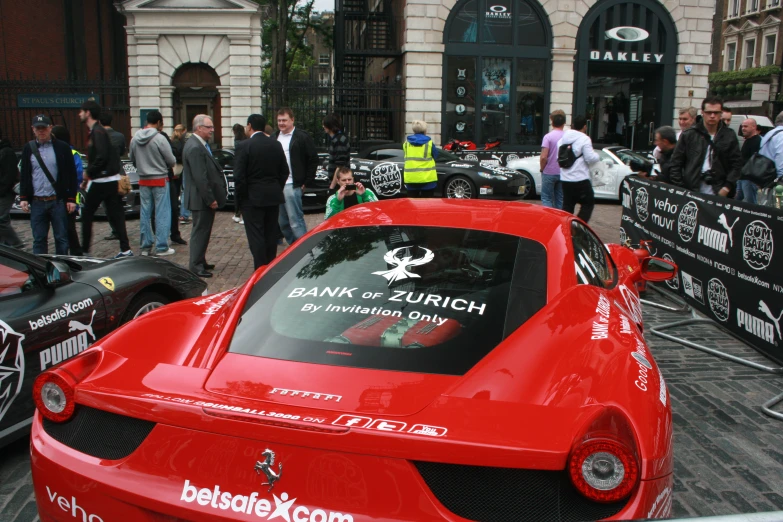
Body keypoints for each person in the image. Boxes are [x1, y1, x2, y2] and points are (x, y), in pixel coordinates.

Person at [233, 114, 289, 269]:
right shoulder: (275, 145)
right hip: (272, 196)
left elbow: (239, 176)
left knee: (256, 235)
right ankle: (269, 265)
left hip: (252, 198)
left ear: (249, 126)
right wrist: (276, 186)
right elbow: (284, 171)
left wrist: (242, 198)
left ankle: (260, 268)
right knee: (270, 234)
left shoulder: (244, 146)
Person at [78, 101, 133, 257]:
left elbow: (101, 156)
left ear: (88, 113)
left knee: (87, 214)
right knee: (116, 215)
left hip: (102, 181)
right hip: (108, 180)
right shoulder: (99, 131)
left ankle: (85, 250)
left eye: (82, 111)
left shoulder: (97, 132)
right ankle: (125, 249)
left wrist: (88, 172)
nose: (79, 114)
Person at [19, 115, 78, 255]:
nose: (41, 131)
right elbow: (25, 174)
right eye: (38, 128)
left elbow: (71, 174)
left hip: (56, 200)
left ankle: (62, 267)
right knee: (39, 239)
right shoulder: (29, 148)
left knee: (61, 239)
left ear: (50, 128)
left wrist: (71, 198)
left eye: (44, 128)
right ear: (33, 129)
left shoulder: (62, 147)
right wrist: (23, 197)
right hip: (37, 201)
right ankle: (40, 269)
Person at [182, 114, 227, 278]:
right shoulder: (195, 147)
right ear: (199, 127)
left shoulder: (198, 144)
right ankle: (196, 265)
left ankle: (200, 259)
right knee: (200, 231)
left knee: (204, 230)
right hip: (200, 199)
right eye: (209, 127)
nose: (212, 130)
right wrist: (210, 198)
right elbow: (200, 177)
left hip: (200, 198)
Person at [669, 96, 741, 197]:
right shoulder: (689, 134)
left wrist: (727, 187)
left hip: (720, 191)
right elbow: (675, 163)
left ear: (721, 114)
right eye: (709, 112)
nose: (712, 116)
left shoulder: (729, 135)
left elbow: (736, 164)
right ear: (702, 113)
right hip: (692, 190)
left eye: (716, 113)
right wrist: (682, 189)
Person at [129, 110, 176, 256]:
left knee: (145, 212)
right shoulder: (159, 138)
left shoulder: (135, 138)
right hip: (160, 178)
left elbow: (132, 158)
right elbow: (171, 160)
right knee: (162, 212)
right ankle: (161, 246)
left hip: (143, 178)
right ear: (159, 122)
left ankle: (145, 246)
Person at [273, 108, 318, 245]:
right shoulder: (274, 137)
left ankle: (304, 249)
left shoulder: (302, 137)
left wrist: (306, 181)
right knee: (282, 222)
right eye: (279, 120)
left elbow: (313, 159)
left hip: (293, 184)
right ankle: (294, 248)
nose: (281, 123)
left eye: (284, 120)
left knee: (295, 220)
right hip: (278, 185)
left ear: (292, 120)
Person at [557, 114, 599, 223]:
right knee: (588, 203)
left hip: (565, 178)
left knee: (567, 206)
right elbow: (590, 158)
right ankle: (578, 228)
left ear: (573, 125)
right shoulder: (584, 139)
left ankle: (565, 228)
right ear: (585, 127)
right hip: (580, 178)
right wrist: (597, 156)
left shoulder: (563, 139)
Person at [50, 125, 84, 255]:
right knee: (63, 230)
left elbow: (78, 176)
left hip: (69, 197)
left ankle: (76, 254)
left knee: (69, 229)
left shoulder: (72, 153)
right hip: (57, 197)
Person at [99, 113, 127, 241]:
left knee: (107, 205)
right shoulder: (120, 136)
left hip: (104, 174)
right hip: (119, 172)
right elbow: (122, 152)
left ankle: (115, 230)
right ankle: (122, 229)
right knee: (119, 203)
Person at [403, 120, 439, 198]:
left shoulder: (406, 143)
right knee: (426, 206)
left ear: (413, 130)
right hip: (427, 180)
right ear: (425, 130)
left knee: (412, 206)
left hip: (411, 179)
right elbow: (436, 155)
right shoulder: (429, 143)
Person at [0, 130, 23, 249]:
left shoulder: (6, 152)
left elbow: (9, 174)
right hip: (3, 191)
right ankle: (5, 246)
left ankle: (15, 243)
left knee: (1, 220)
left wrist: (2, 190)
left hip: (5, 191)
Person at [539, 110, 566, 208]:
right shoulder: (567, 137)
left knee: (547, 198)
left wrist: (542, 168)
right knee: (560, 199)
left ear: (552, 122)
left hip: (549, 171)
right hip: (562, 172)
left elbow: (543, 157)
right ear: (564, 123)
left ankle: (549, 219)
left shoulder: (548, 137)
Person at [323, 114, 351, 192]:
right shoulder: (337, 139)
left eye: (324, 124)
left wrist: (332, 186)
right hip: (341, 183)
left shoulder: (339, 141)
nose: (323, 126)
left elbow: (340, 166)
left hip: (341, 184)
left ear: (330, 125)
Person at [736, 118, 761, 204]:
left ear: (754, 127)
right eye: (742, 126)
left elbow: (755, 160)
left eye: (746, 126)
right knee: (736, 200)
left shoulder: (757, 141)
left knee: (750, 203)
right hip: (742, 176)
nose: (743, 128)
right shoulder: (747, 140)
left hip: (749, 178)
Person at [171, 124, 191, 225]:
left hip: (174, 169)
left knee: (175, 193)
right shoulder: (182, 142)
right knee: (184, 191)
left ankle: (176, 214)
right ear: (184, 130)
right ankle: (184, 214)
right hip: (181, 168)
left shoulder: (172, 141)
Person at [758, 111, 783, 186]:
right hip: (777, 181)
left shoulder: (770, 133)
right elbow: (781, 159)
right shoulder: (781, 135)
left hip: (766, 177)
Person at [232, 123, 247, 225]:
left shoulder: (237, 141)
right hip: (244, 170)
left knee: (239, 195)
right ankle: (239, 215)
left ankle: (239, 214)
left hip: (240, 170)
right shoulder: (246, 138)